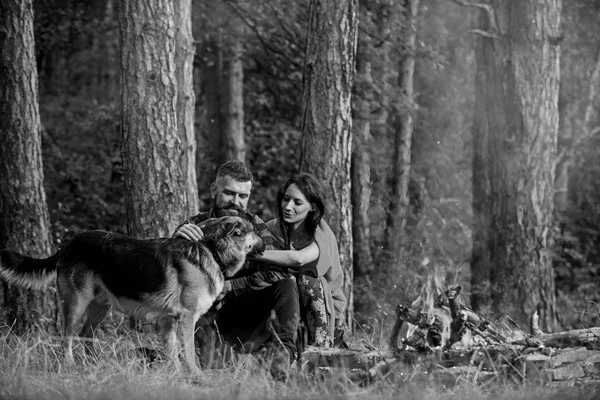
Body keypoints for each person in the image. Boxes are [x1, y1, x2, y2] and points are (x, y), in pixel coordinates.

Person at [173, 160, 298, 380]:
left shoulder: (256, 227)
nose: (236, 201)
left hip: (243, 311)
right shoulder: (196, 225)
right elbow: (172, 277)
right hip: (207, 316)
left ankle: (283, 356)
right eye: (229, 193)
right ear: (214, 190)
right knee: (220, 368)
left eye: (243, 196)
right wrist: (176, 240)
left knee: (286, 284)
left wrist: (230, 286)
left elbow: (277, 273)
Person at [251, 173, 347, 348]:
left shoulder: (321, 232)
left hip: (320, 303)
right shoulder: (272, 228)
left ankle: (321, 351)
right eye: (286, 199)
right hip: (285, 302)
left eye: (297, 202)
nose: (288, 207)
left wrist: (254, 253)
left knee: (306, 281)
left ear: (312, 207)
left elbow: (299, 259)